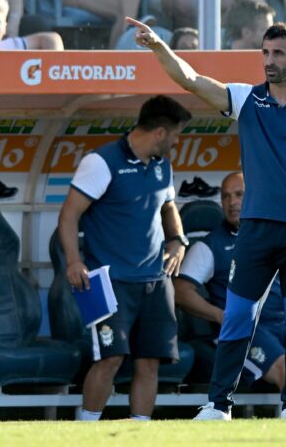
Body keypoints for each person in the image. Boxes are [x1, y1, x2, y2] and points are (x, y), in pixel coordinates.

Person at [125, 16, 286, 421]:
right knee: (237, 315)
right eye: (265, 53)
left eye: (278, 54)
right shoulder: (246, 99)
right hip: (256, 231)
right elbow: (192, 80)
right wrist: (159, 47)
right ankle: (219, 405)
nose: (268, 61)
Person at [59, 95, 193, 421]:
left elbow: (168, 206)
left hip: (154, 280)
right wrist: (74, 262)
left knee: (150, 362)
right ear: (160, 132)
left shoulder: (162, 165)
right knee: (110, 359)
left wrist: (177, 239)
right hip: (107, 281)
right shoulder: (101, 162)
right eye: (176, 134)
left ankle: (139, 434)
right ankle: (85, 433)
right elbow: (68, 216)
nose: (177, 141)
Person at [175, 172, 286, 418]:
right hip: (249, 331)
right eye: (226, 197)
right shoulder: (210, 245)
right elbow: (181, 291)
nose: (232, 202)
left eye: (239, 195)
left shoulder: (277, 236)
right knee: (285, 366)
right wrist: (219, 315)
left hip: (284, 322)